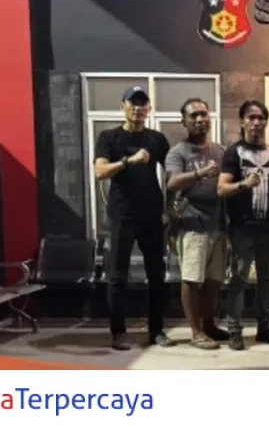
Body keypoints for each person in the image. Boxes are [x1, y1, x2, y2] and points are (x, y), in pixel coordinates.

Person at [93, 86, 172, 351]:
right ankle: (118, 333)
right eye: (133, 103)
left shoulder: (157, 139)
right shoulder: (109, 137)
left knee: (156, 275)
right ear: (123, 106)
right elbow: (100, 171)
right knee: (117, 275)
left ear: (149, 109)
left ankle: (157, 331)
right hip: (122, 215)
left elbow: (171, 175)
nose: (138, 108)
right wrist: (128, 161)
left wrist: (170, 208)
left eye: (143, 104)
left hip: (151, 215)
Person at [165, 98, 229, 350]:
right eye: (193, 116)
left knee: (214, 280)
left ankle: (209, 325)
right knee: (192, 279)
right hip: (192, 223)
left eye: (203, 114)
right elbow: (172, 183)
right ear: (184, 121)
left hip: (218, 224)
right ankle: (196, 331)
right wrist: (200, 173)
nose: (200, 119)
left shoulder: (220, 150)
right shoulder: (178, 152)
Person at [217, 100, 269, 350]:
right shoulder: (234, 153)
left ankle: (265, 327)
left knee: (267, 279)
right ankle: (234, 329)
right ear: (242, 122)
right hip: (242, 227)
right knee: (239, 278)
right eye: (251, 118)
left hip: (267, 227)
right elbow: (221, 188)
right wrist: (243, 184)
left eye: (260, 118)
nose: (256, 123)